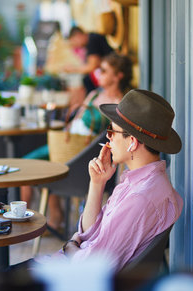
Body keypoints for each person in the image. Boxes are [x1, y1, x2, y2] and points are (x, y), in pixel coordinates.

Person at [0, 89, 183, 291]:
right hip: (66, 271)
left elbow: (90, 265)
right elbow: (91, 232)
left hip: (66, 282)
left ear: (132, 142)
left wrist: (71, 245)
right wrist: (96, 184)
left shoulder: (141, 197)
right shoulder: (141, 183)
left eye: (111, 131)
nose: (108, 138)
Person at [21, 52, 133, 231]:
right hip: (68, 144)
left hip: (84, 152)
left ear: (118, 76)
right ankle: (30, 219)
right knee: (27, 165)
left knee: (45, 167)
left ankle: (54, 219)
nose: (99, 74)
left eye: (104, 70)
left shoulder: (120, 103)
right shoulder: (95, 95)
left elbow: (117, 136)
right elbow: (77, 118)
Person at [64, 26, 114, 108]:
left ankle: (89, 109)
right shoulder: (91, 41)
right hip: (108, 72)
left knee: (87, 81)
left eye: (74, 43)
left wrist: (73, 69)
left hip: (112, 73)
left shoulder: (92, 41)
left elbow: (92, 66)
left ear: (78, 36)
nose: (76, 46)